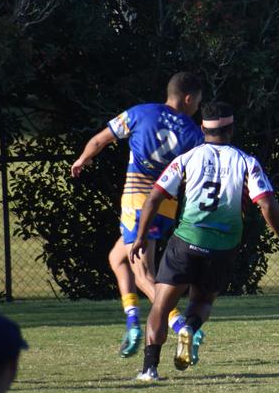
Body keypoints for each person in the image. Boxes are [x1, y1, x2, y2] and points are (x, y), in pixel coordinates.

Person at [129, 101, 279, 381]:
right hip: (222, 248)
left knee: (161, 305)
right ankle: (190, 328)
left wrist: (141, 236)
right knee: (203, 301)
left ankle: (149, 369)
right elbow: (266, 204)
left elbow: (154, 197)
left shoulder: (187, 158)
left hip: (184, 242)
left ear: (202, 128)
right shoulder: (246, 162)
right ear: (231, 130)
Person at [71, 72, 205, 361]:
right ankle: (132, 323)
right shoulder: (194, 134)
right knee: (117, 258)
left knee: (144, 275)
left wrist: (83, 158)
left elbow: (101, 139)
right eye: (199, 102)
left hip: (137, 200)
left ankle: (182, 326)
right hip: (166, 205)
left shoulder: (141, 113)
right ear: (188, 98)